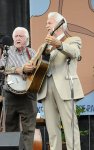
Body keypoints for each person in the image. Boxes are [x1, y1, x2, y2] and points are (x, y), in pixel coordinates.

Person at [23, 12, 84, 150]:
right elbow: (31, 62)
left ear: (59, 24)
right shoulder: (43, 46)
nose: (46, 26)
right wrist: (25, 67)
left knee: (70, 126)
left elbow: (75, 53)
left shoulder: (73, 40)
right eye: (46, 23)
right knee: (52, 129)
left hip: (65, 87)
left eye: (49, 23)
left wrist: (59, 44)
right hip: (46, 88)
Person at [0, 27, 37, 150]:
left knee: (29, 130)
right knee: (10, 128)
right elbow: (1, 68)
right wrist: (17, 70)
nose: (18, 38)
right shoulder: (7, 52)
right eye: (16, 36)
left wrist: (30, 71)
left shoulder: (32, 53)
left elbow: (39, 71)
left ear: (27, 40)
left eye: (21, 36)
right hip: (10, 94)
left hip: (28, 95)